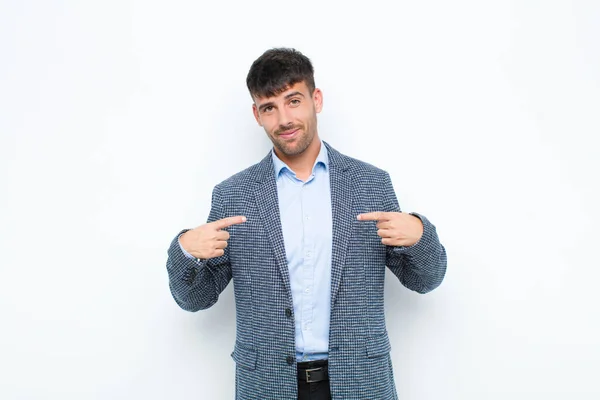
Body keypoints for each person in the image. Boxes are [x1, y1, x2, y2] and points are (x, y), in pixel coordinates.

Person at [165, 47, 447, 400]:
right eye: (269, 107)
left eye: (293, 100)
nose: (283, 118)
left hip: (360, 381)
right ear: (257, 114)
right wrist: (184, 251)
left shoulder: (370, 184)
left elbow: (427, 279)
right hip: (267, 385)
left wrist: (420, 235)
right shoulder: (233, 195)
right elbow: (194, 299)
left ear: (316, 99)